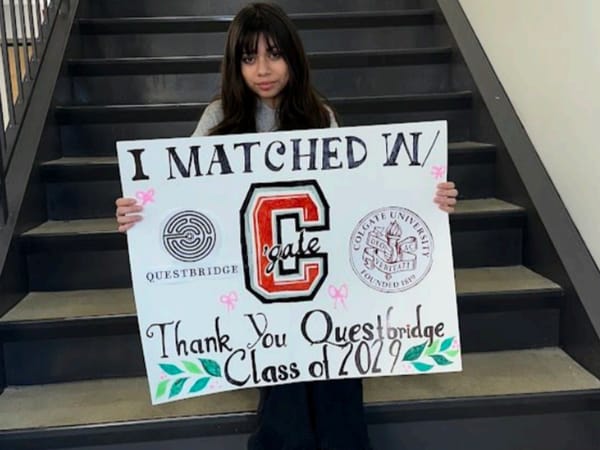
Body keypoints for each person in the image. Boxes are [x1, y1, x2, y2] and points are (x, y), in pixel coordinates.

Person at [115, 3, 458, 449]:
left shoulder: (320, 117)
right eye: (249, 57)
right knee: (286, 391)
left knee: (336, 379)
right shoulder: (218, 119)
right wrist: (142, 213)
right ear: (235, 65)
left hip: (319, 279)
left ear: (293, 57)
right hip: (251, 287)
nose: (262, 69)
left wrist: (424, 197)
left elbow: (356, 197)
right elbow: (183, 196)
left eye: (274, 54)